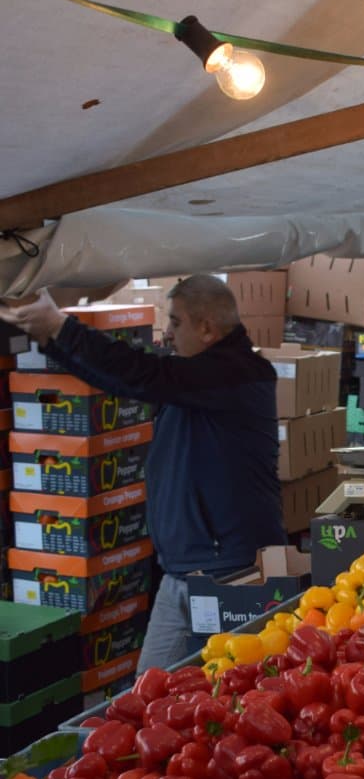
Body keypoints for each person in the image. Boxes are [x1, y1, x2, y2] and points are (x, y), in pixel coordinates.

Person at [0, 277, 285, 670]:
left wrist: (62, 327)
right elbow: (124, 381)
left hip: (231, 573)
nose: (167, 335)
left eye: (176, 322)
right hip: (180, 573)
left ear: (206, 328)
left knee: (230, 694)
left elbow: (143, 373)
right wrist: (52, 340)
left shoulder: (239, 374)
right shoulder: (197, 379)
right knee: (146, 700)